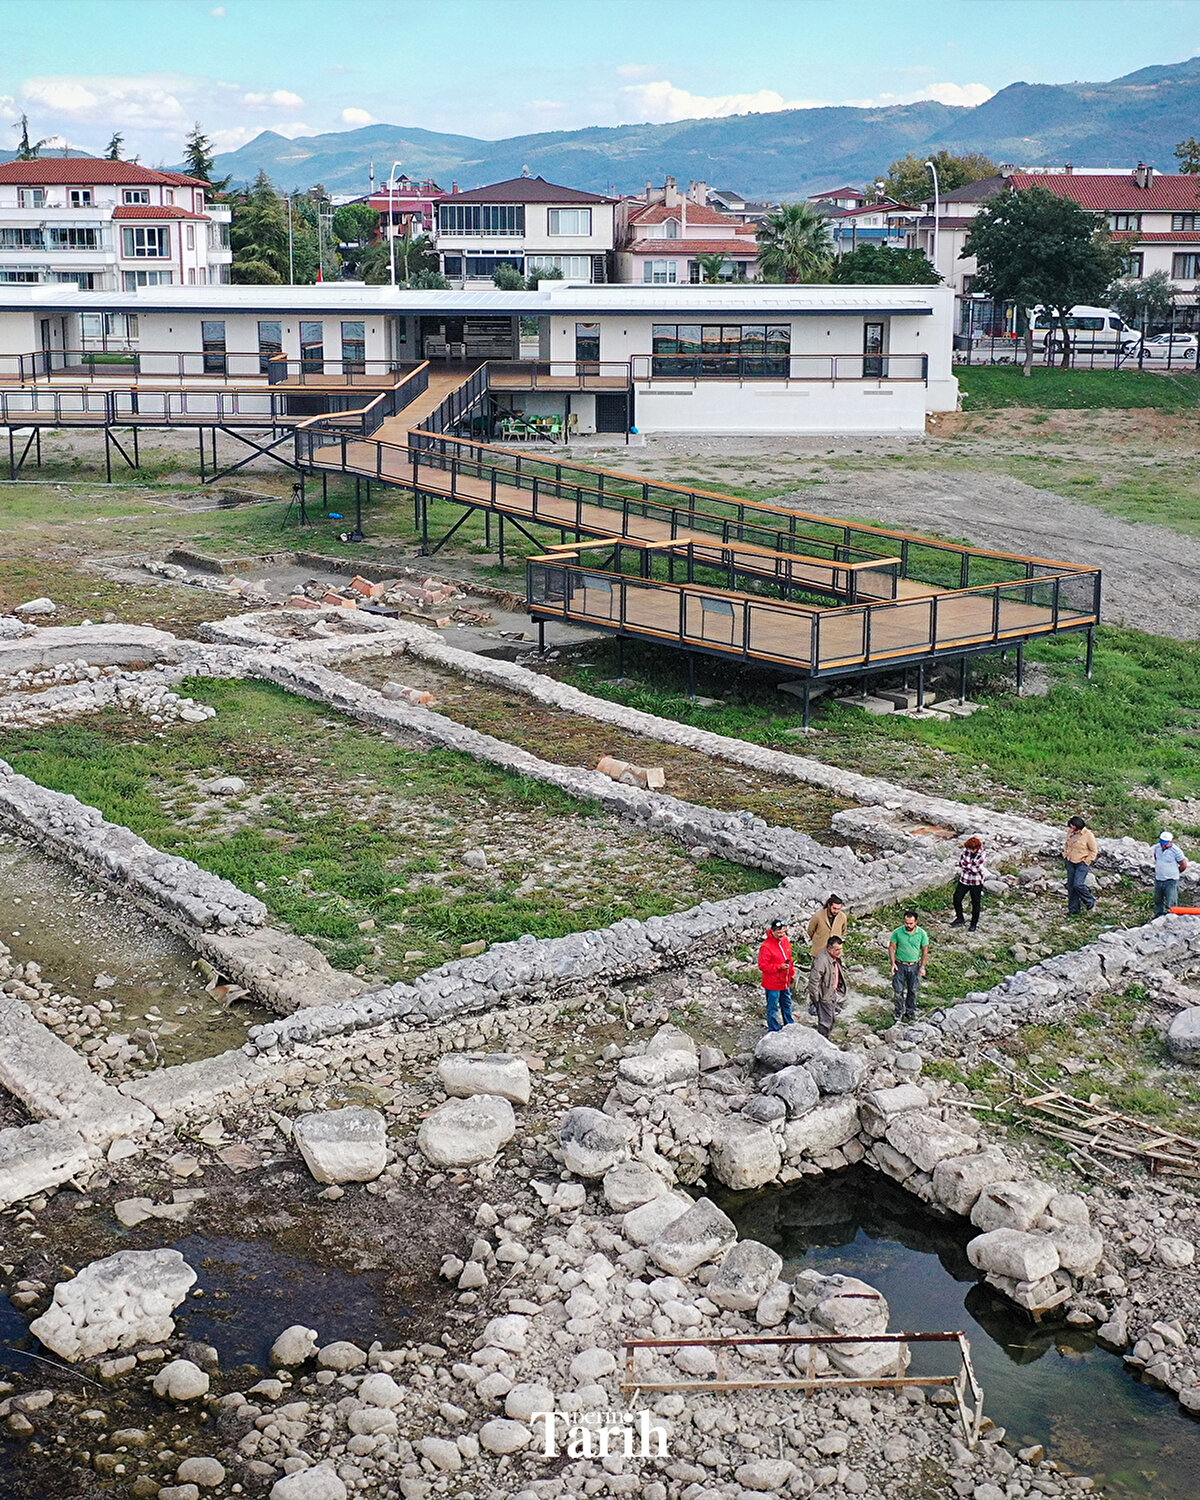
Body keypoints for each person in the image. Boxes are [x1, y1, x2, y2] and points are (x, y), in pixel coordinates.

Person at [889, 910, 929, 1022]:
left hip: (914, 965)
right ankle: (899, 1011)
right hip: (900, 964)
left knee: (913, 989)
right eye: (906, 923)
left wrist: (922, 966)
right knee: (898, 990)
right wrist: (893, 963)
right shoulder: (898, 932)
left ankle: (910, 1011)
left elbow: (925, 950)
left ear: (916, 922)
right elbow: (892, 947)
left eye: (911, 923)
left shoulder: (921, 934)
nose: (908, 925)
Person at [757, 918, 795, 1033]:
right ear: (772, 931)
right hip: (772, 983)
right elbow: (763, 966)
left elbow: (789, 959)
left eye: (783, 932)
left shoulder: (785, 941)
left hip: (785, 981)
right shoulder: (766, 947)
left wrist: (791, 973)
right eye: (779, 932)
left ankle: (789, 1024)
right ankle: (773, 1028)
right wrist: (779, 967)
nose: (782, 935)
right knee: (773, 1007)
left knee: (787, 1004)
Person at [808, 932, 847, 1039]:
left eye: (841, 949)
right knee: (825, 1022)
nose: (840, 952)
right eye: (837, 950)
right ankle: (822, 1041)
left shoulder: (835, 958)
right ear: (829, 949)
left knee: (831, 1019)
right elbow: (813, 981)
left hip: (832, 993)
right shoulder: (821, 960)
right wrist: (816, 998)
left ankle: (826, 1038)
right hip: (824, 996)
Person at [1064, 815, 1099, 915]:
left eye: (1073, 826)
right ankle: (1074, 910)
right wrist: (1066, 854)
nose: (1071, 828)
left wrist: (1087, 861)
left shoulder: (1088, 835)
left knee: (1078, 884)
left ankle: (1089, 900)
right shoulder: (1070, 832)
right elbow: (1067, 844)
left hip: (1081, 863)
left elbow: (1094, 850)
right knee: (1071, 887)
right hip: (1070, 861)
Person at [951, 837, 985, 931]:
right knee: (956, 898)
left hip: (976, 882)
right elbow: (961, 863)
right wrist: (970, 866)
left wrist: (967, 865)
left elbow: (977, 869)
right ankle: (960, 918)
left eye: (973, 849)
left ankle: (973, 924)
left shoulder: (982, 853)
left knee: (975, 903)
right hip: (964, 880)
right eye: (970, 849)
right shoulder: (966, 850)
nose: (971, 850)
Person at [1154, 831, 1189, 918]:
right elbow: (1156, 857)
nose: (1163, 846)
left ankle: (1171, 918)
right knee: (1158, 900)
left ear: (1171, 842)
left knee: (1171, 902)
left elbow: (1183, 864)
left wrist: (1177, 871)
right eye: (1162, 843)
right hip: (1159, 879)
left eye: (1166, 844)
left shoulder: (1176, 851)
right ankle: (1159, 916)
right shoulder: (1157, 848)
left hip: (1171, 880)